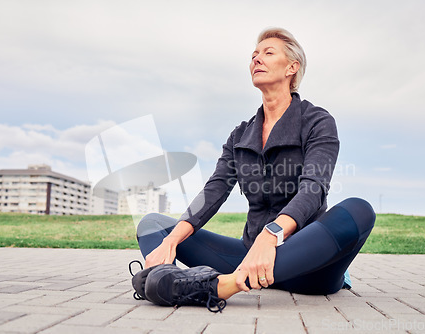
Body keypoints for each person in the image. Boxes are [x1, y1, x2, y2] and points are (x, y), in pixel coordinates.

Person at [130, 27, 375, 312]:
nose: (257, 59)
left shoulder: (317, 121)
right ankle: (169, 282)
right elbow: (213, 192)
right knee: (153, 225)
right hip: (251, 258)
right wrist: (172, 241)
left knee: (359, 210)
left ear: (292, 68)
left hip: (310, 267)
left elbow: (313, 189)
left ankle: (222, 286)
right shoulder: (240, 135)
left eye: (268, 53)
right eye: (254, 55)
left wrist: (270, 236)